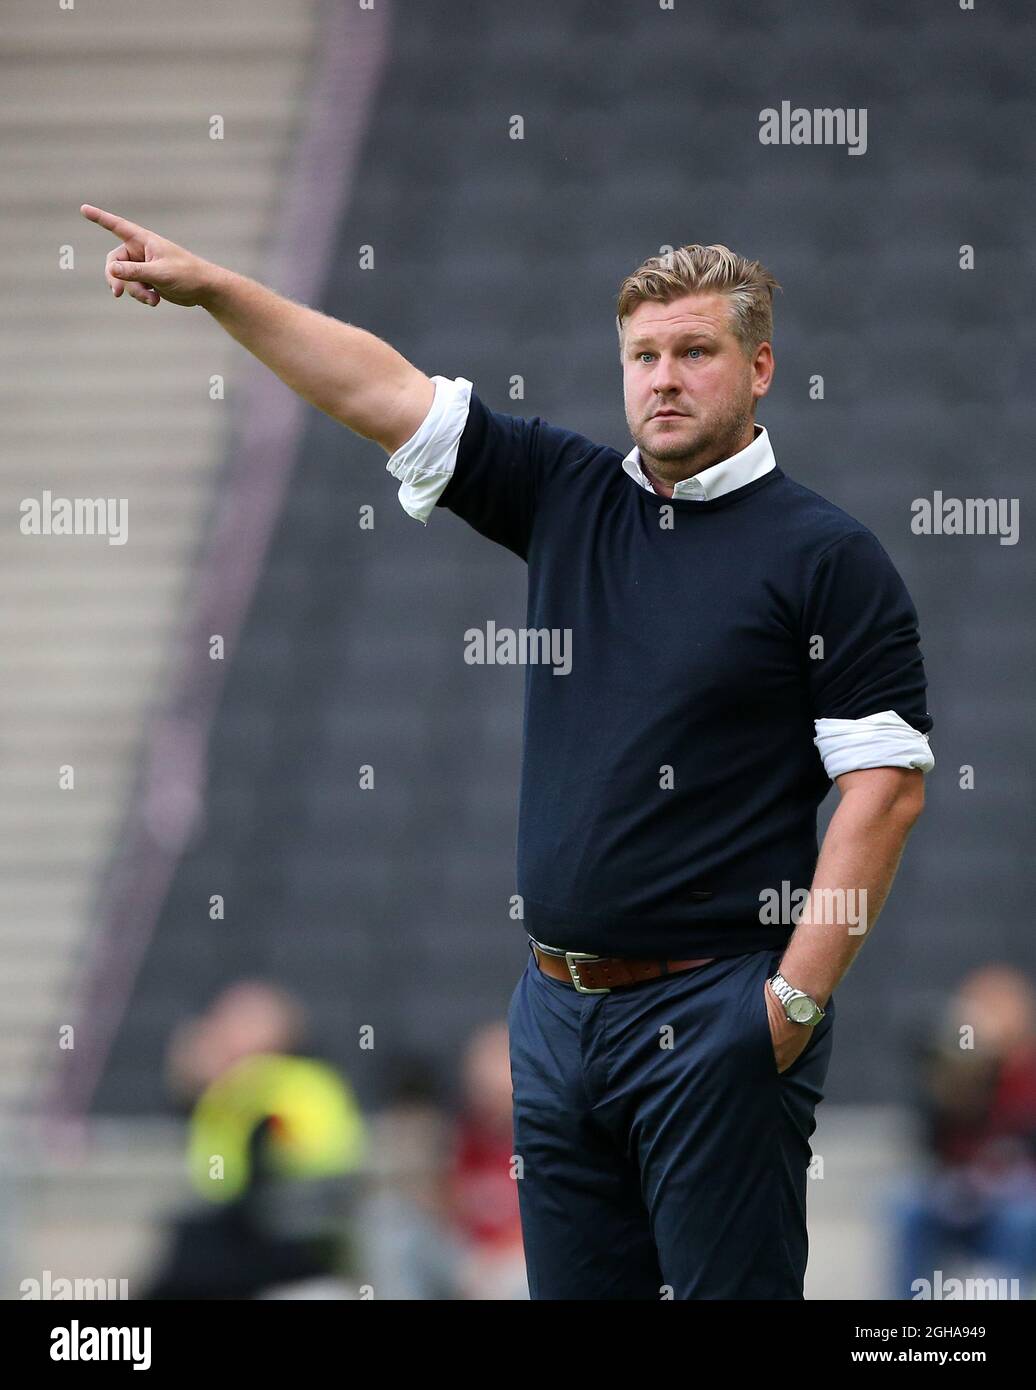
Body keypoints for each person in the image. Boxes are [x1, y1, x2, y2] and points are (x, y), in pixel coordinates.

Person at [80, 209, 935, 1298]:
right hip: (554, 1018)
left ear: (759, 365)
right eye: (642, 356)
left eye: (693, 351)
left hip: (716, 1011)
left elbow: (885, 794)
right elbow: (380, 390)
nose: (662, 378)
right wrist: (219, 292)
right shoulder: (568, 494)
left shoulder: (827, 558)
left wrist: (789, 1008)